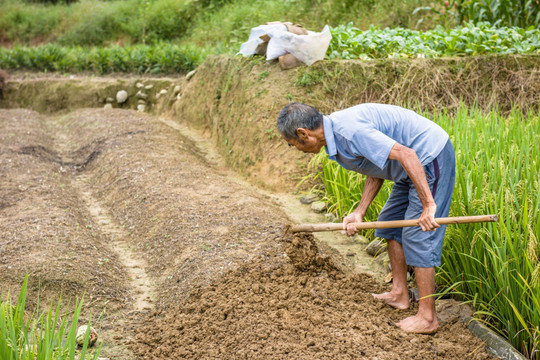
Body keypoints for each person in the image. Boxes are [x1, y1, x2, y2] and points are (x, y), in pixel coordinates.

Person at [277, 102, 455, 334]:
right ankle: (400, 293)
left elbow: (407, 153)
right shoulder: (337, 138)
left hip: (429, 157)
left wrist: (429, 204)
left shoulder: (350, 133)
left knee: (418, 233)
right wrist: (359, 211)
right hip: (408, 167)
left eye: (293, 145)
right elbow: (376, 165)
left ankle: (428, 317)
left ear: (303, 134)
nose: (295, 149)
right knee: (389, 225)